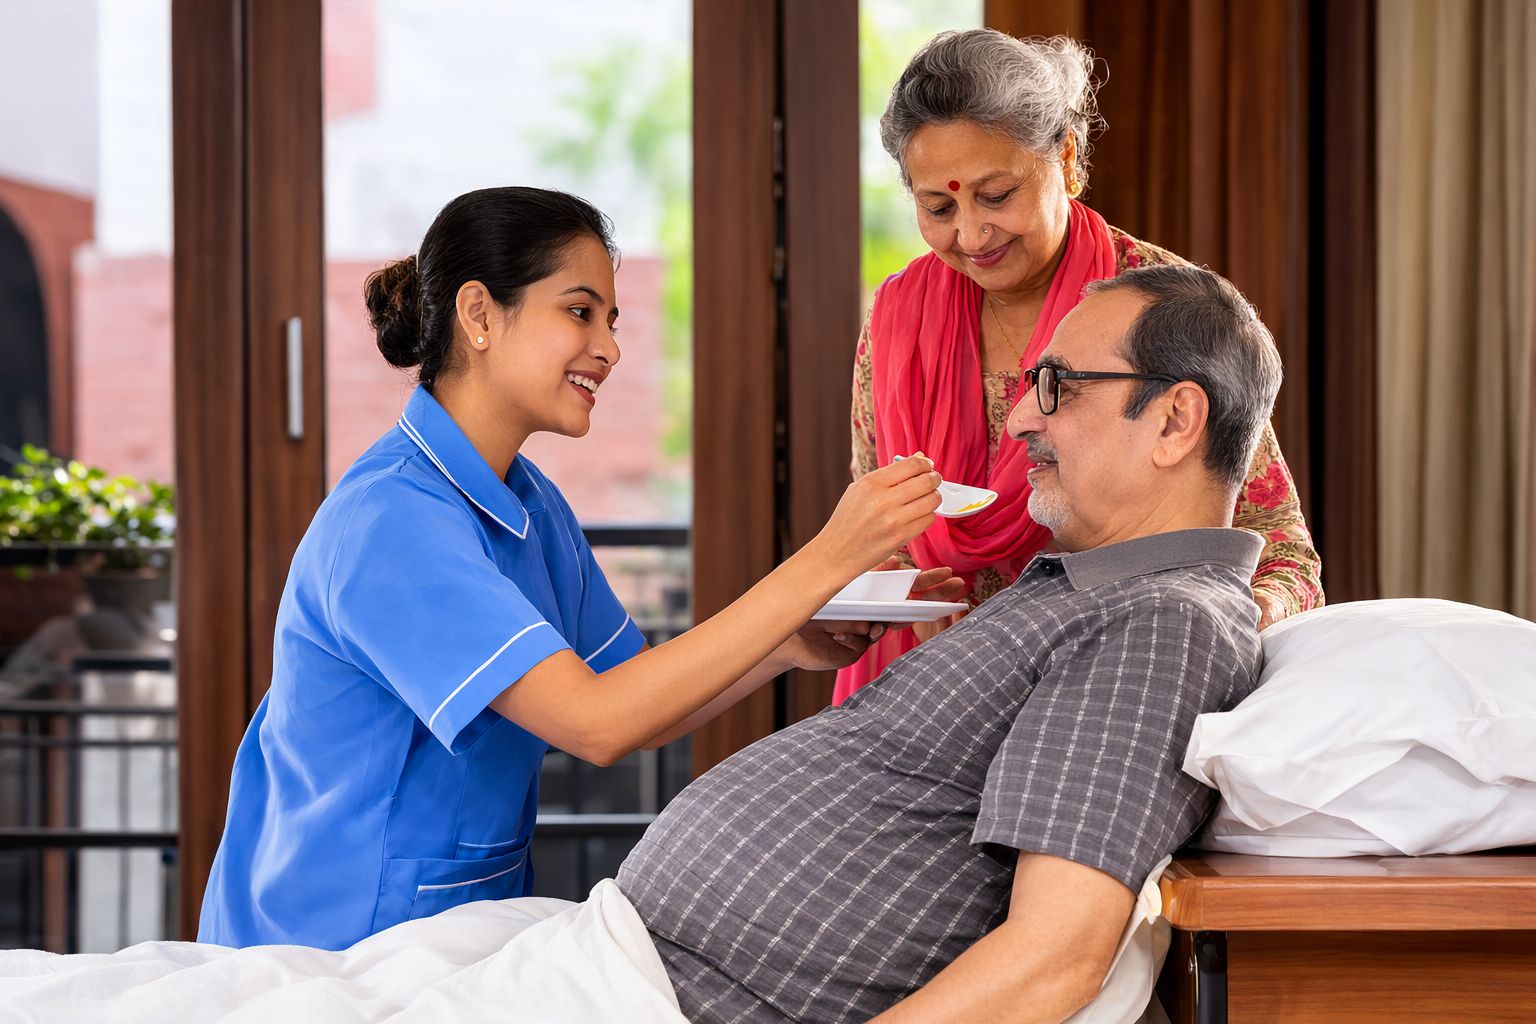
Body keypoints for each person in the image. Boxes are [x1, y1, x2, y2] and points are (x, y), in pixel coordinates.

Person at [197, 187, 951, 950]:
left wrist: (793, 641)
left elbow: (636, 697)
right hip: (329, 945)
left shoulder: (526, 502)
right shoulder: (392, 522)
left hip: (450, 931)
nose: (610, 347)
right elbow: (597, 724)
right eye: (580, 312)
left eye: (612, 321)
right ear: (481, 315)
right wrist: (827, 558)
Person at [618, 264, 1279, 1023]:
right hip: (642, 965)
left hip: (679, 994)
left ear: (1174, 421)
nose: (1020, 420)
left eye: (1058, 386)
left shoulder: (1165, 624)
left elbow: (1054, 958)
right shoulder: (1093, 593)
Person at [835, 29, 1323, 703]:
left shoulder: (1159, 301)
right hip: (933, 687)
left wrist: (1232, 623)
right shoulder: (897, 321)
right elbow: (880, 524)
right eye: (939, 207)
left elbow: (1281, 551)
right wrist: (895, 588)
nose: (971, 236)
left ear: (1064, 157)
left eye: (997, 194)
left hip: (1111, 686)